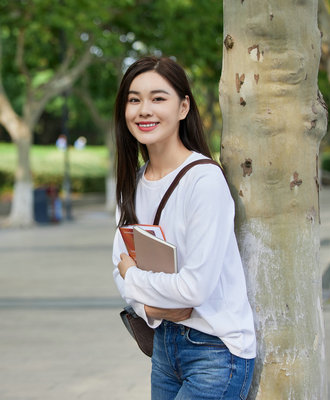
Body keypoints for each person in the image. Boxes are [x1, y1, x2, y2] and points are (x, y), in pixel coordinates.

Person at [112, 56, 256, 399]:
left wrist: (135, 280)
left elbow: (194, 289)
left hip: (215, 351)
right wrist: (153, 308)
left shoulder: (204, 181)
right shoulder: (131, 183)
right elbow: (116, 270)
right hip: (164, 344)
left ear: (183, 107)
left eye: (158, 98)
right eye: (134, 100)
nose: (144, 109)